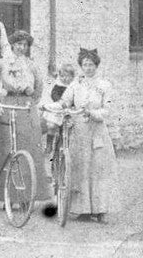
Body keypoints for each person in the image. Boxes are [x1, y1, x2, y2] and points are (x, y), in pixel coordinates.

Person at [0, 30, 50, 203]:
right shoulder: (1, 63)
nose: (21, 48)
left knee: (29, 147)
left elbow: (39, 86)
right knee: (6, 147)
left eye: (25, 45)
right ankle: (7, 196)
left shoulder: (32, 65)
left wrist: (31, 97)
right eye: (18, 44)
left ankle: (27, 195)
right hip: (7, 105)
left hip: (26, 107)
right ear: (12, 44)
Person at [60, 48, 117, 223]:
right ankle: (83, 209)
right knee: (81, 168)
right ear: (81, 66)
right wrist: (62, 106)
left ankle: (100, 210)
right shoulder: (76, 84)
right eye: (85, 64)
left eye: (91, 64)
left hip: (97, 132)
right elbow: (65, 100)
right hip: (79, 132)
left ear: (96, 65)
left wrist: (92, 113)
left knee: (98, 170)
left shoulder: (104, 85)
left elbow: (107, 110)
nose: (88, 67)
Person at [40, 63, 77, 154]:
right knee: (52, 126)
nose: (64, 78)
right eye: (62, 76)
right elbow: (54, 94)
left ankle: (62, 148)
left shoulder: (74, 87)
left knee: (66, 131)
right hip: (58, 110)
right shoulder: (58, 85)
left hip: (68, 112)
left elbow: (76, 97)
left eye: (67, 76)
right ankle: (49, 144)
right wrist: (59, 101)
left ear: (72, 77)